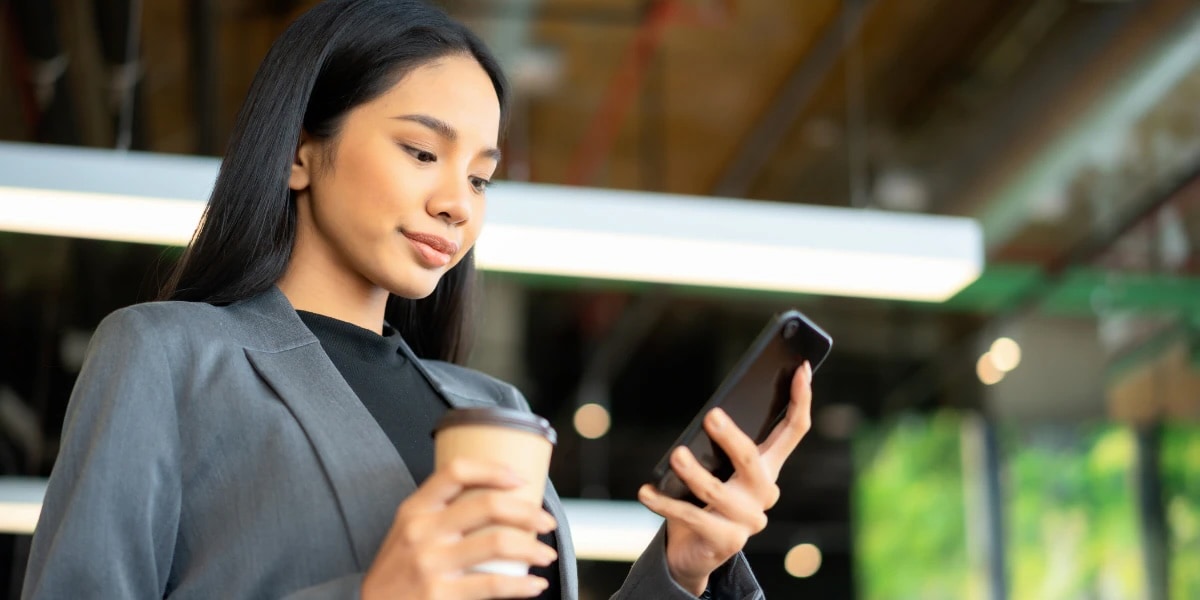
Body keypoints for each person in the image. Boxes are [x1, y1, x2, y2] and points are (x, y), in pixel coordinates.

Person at [21, 1, 815, 598]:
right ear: (301, 151)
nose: (457, 202)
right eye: (421, 150)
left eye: (480, 176)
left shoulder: (493, 408)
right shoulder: (169, 355)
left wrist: (683, 564)